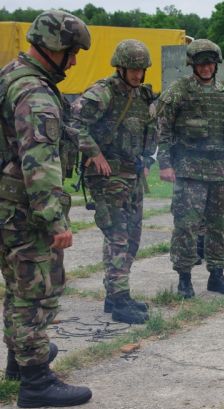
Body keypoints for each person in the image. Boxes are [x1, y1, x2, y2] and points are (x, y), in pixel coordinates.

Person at [0, 10, 92, 407]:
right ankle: (36, 383)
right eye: (72, 53)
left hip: (7, 206)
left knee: (17, 285)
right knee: (38, 290)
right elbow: (38, 162)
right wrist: (55, 218)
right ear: (54, 47)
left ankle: (20, 363)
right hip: (25, 210)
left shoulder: (10, 75)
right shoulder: (35, 93)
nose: (73, 62)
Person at [156, 39, 224, 298]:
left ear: (216, 65)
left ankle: (217, 275)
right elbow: (163, 129)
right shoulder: (179, 91)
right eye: (201, 64)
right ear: (193, 65)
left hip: (221, 170)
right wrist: (165, 164)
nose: (206, 68)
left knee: (219, 225)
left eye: (210, 63)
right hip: (189, 171)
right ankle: (184, 279)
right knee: (186, 226)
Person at [69, 39, 157, 324]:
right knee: (118, 235)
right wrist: (94, 153)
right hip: (107, 177)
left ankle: (115, 293)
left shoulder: (143, 96)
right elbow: (73, 123)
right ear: (120, 67)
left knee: (133, 237)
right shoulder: (102, 93)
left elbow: (150, 131)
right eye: (133, 69)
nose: (138, 74)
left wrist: (147, 161)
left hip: (133, 173)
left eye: (141, 69)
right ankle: (120, 300)